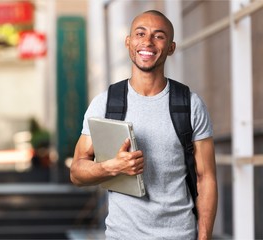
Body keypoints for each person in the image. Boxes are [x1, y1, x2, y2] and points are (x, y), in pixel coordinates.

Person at [70, 10, 218, 240]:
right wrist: (112, 167)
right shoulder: (106, 103)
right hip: (122, 235)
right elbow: (77, 173)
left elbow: (206, 176)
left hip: (180, 235)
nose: (147, 41)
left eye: (159, 36)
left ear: (171, 47)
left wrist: (204, 236)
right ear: (129, 42)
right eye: (140, 33)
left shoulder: (190, 104)